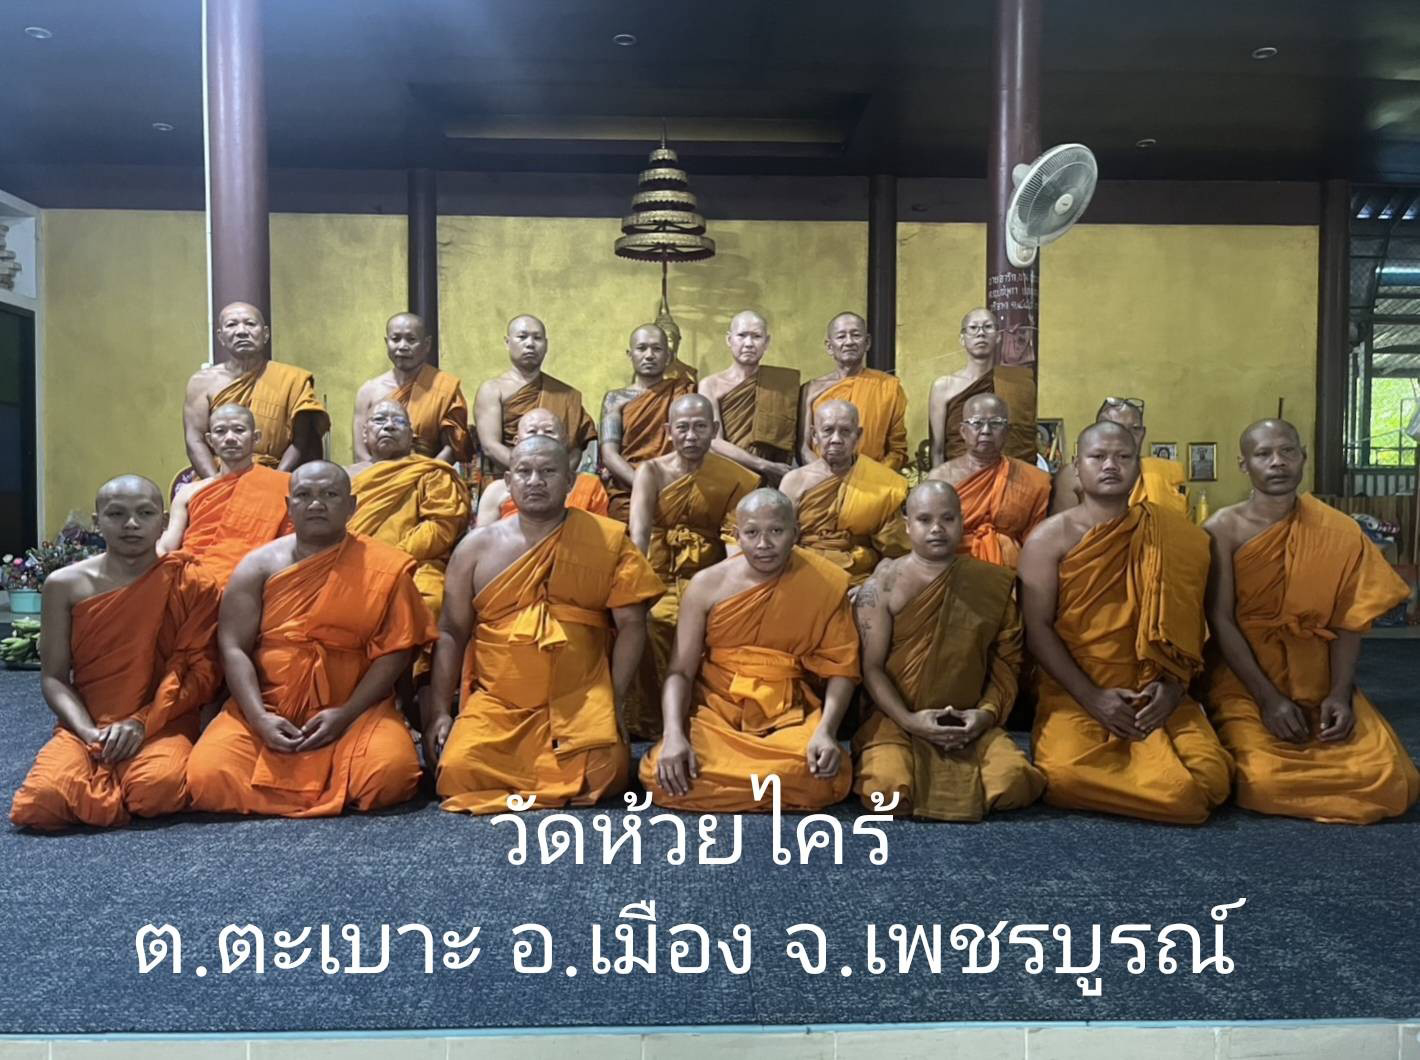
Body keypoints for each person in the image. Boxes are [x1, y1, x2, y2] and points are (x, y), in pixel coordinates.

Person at [427, 436, 664, 814]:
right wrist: (441, 710)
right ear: (508, 481)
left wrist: (613, 700)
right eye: (525, 471)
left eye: (548, 471)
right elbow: (452, 631)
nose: (535, 480)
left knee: (605, 771)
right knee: (457, 770)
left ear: (570, 480)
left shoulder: (606, 540)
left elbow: (632, 626)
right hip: (499, 704)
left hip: (580, 701)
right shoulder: (475, 548)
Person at [186, 462, 436, 817]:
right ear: (288, 506)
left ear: (351, 506)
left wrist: (346, 714)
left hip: (354, 709)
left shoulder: (385, 566)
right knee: (207, 776)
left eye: (329, 494)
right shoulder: (257, 566)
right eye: (304, 495)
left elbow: (396, 651)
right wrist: (259, 718)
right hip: (268, 707)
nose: (316, 504)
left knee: (390, 774)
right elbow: (233, 648)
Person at [1202, 419, 1418, 823]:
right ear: (1244, 464)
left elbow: (1348, 620)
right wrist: (1268, 699)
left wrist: (1339, 693)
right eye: (1263, 454)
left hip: (1318, 674)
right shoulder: (1222, 529)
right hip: (1245, 676)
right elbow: (1219, 619)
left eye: (1287, 451)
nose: (1277, 462)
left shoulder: (1340, 530)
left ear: (1303, 457)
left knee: (1394, 779)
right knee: (1263, 781)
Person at [1019, 421, 1232, 824]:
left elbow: (1188, 622)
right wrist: (1093, 697)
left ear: (1138, 466)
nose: (1110, 465)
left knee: (1212, 778)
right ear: (1077, 466)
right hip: (1077, 690)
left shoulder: (1173, 535)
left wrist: (1172, 688)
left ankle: (1158, 772)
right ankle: (1160, 785)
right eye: (1098, 457)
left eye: (1123, 457)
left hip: (1155, 689)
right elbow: (1038, 630)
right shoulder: (1048, 540)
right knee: (1063, 776)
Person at [11, 476, 222, 829]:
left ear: (164, 521)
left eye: (145, 513)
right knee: (43, 801)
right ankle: (103, 767)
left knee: (158, 790)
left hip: (163, 721)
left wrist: (142, 723)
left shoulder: (192, 582)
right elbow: (54, 678)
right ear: (97, 522)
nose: (131, 524)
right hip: (88, 720)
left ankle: (126, 773)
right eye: (116, 514)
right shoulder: (65, 585)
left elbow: (201, 674)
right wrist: (89, 733)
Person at [640, 488, 858, 812]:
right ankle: (768, 788)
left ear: (796, 533)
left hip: (786, 711)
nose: (764, 544)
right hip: (717, 707)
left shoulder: (826, 583)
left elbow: (842, 669)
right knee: (662, 772)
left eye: (776, 531)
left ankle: (743, 785)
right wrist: (673, 734)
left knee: (821, 772)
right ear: (736, 535)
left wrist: (826, 732)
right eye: (752, 533)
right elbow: (680, 671)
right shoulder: (706, 585)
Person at [851, 481, 1044, 820]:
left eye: (947, 518)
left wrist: (984, 715)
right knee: (887, 791)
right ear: (907, 525)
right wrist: (911, 721)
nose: (937, 529)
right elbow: (872, 668)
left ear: (961, 521)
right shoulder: (882, 586)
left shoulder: (991, 583)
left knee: (1014, 783)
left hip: (968, 721)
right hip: (897, 719)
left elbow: (1005, 665)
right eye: (925, 520)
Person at [626, 393, 759, 737]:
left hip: (706, 577)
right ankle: (651, 722)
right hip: (657, 575)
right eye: (682, 428)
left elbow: (734, 542)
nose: (690, 436)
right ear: (668, 430)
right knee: (650, 621)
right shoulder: (651, 471)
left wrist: (732, 591)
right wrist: (636, 588)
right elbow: (639, 533)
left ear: (714, 430)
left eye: (700, 427)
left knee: (719, 625)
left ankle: (702, 716)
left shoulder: (737, 477)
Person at [346, 399, 470, 620]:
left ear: (411, 434)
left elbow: (442, 526)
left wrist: (390, 558)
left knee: (428, 602)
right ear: (364, 433)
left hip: (413, 566)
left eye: (399, 421)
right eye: (379, 420)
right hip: (352, 564)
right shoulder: (344, 476)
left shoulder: (430, 471)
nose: (389, 425)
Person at [181, 301, 328, 479]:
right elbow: (195, 439)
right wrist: (215, 483)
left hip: (277, 476)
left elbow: (301, 441)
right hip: (219, 476)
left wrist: (273, 481)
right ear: (220, 337)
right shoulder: (201, 383)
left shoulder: (293, 379)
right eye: (231, 325)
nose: (241, 331)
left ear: (265, 334)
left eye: (250, 324)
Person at [158, 403, 292, 587]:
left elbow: (291, 545)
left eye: (239, 430)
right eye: (220, 431)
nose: (229, 438)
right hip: (190, 583)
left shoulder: (284, 485)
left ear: (255, 438)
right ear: (210, 440)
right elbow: (167, 545)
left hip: (255, 583)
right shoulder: (189, 492)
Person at [779, 400, 908, 587]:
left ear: (858, 435)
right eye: (828, 430)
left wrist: (874, 584)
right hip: (804, 575)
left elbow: (895, 551)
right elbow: (782, 542)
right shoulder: (794, 482)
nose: (836, 439)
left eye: (845, 431)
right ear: (814, 435)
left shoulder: (882, 483)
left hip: (861, 580)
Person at [927, 393, 1050, 567]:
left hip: (1011, 573)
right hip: (953, 569)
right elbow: (930, 535)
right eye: (976, 423)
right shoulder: (941, 478)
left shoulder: (1034, 479)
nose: (986, 431)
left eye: (996, 423)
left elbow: (1037, 543)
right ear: (963, 431)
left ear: (1007, 431)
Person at [473, 314, 596, 475]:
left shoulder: (565, 394)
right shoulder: (492, 390)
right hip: (508, 479)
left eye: (537, 338)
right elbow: (490, 446)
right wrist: (530, 471)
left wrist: (555, 476)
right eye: (522, 337)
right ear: (507, 343)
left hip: (557, 482)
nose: (530, 343)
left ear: (546, 345)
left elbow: (575, 449)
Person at [599, 323, 697, 521]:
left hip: (675, 486)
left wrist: (669, 489)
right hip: (629, 488)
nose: (649, 355)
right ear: (630, 354)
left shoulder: (684, 393)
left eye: (657, 349)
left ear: (668, 356)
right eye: (642, 348)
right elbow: (609, 455)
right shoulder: (615, 399)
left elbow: (695, 444)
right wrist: (645, 486)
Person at [351, 313, 471, 465]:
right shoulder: (368, 391)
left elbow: (451, 448)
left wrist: (422, 473)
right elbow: (360, 452)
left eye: (411, 339)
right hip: (377, 474)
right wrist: (382, 475)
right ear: (387, 342)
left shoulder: (445, 387)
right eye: (395, 339)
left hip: (429, 472)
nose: (402, 346)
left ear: (427, 344)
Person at [697, 310, 799, 483]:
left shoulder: (782, 384)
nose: (749, 343)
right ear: (729, 340)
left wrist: (773, 469)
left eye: (756, 336)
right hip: (725, 476)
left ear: (767, 342)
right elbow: (713, 441)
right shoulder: (710, 385)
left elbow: (789, 441)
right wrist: (764, 465)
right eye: (742, 335)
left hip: (772, 479)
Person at [798, 312, 909, 471]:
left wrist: (868, 477)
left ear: (867, 342)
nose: (849, 342)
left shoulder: (888, 387)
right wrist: (828, 477)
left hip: (873, 479)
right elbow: (804, 448)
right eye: (841, 336)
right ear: (829, 346)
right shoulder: (811, 390)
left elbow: (897, 450)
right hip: (821, 478)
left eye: (856, 335)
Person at [927, 307, 1036, 466]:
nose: (981, 333)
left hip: (1009, 475)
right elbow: (937, 450)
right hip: (960, 476)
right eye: (973, 328)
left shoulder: (1018, 383)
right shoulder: (944, 387)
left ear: (998, 336)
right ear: (962, 338)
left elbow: (1023, 445)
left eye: (988, 327)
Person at [1051, 398, 1188, 516]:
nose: (1126, 436)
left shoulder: (1159, 473)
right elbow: (1063, 528)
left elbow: (1174, 529)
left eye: (1135, 429)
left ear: (1143, 433)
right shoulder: (1074, 474)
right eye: (1116, 427)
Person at [473, 408, 610, 525]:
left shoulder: (588, 486)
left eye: (549, 431)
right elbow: (482, 543)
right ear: (517, 441)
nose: (540, 436)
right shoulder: (496, 491)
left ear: (564, 441)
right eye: (532, 431)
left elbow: (599, 540)